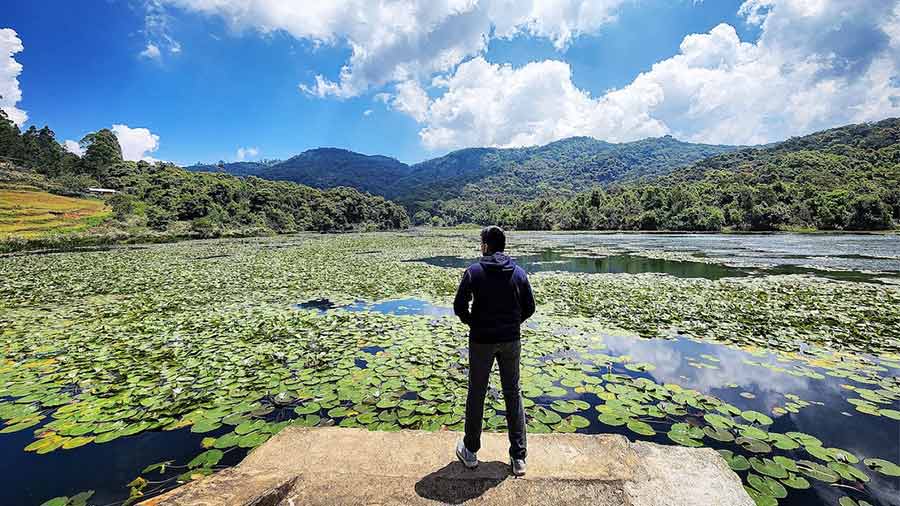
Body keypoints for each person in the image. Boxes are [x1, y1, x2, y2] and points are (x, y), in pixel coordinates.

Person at [452, 225, 536, 477]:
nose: (481, 246)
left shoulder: (474, 272)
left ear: (487, 245)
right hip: (510, 340)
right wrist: (512, 324)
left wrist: (473, 322)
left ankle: (470, 452)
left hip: (481, 341)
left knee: (476, 393)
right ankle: (518, 458)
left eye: (482, 242)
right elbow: (529, 307)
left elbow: (459, 306)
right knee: (513, 393)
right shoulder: (519, 273)